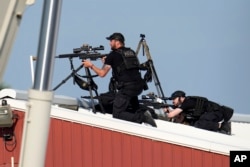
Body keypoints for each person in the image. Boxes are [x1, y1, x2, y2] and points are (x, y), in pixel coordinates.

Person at [82, 32, 157, 127]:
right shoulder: (131, 52)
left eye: (111, 41)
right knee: (133, 108)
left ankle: (142, 117)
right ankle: (143, 112)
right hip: (138, 86)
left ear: (117, 42)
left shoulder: (113, 55)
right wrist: (107, 61)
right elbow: (123, 65)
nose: (109, 43)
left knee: (117, 114)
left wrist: (91, 65)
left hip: (127, 88)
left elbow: (102, 73)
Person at [164, 90, 233, 134]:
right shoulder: (185, 106)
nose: (173, 101)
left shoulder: (187, 102)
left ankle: (223, 126)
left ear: (180, 97)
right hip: (212, 113)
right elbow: (180, 119)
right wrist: (167, 111)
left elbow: (171, 115)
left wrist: (167, 111)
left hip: (217, 112)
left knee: (200, 123)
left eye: (174, 99)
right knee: (194, 123)